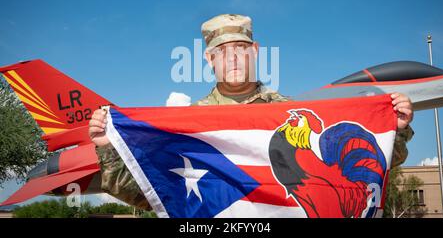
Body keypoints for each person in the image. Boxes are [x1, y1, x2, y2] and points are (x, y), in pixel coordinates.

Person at [88, 14, 414, 210]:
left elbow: (362, 173)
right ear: (208, 59)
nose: (232, 59)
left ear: (255, 52)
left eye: (240, 50)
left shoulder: (289, 114)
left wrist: (394, 130)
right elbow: (151, 195)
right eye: (221, 52)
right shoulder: (185, 126)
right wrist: (108, 149)